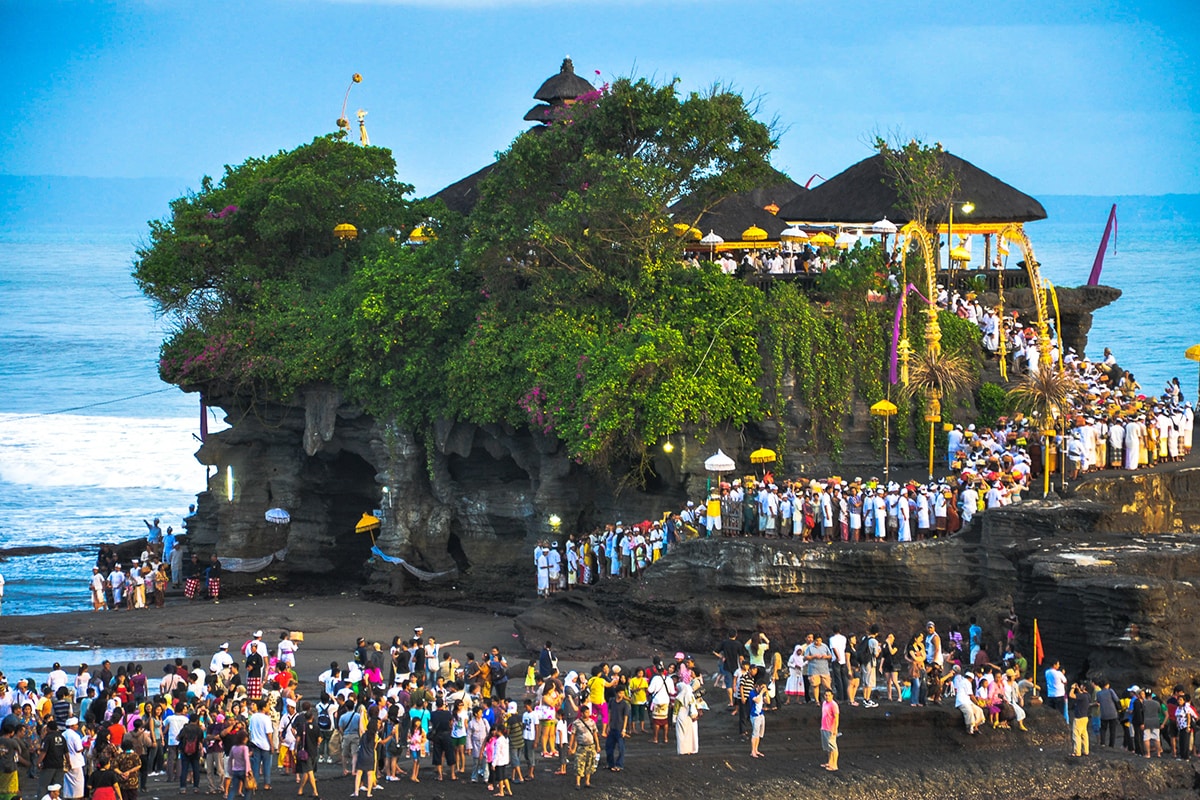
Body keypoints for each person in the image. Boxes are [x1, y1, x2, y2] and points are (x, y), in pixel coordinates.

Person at [568, 703, 599, 789]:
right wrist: (570, 746)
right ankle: (578, 783)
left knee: (590, 764)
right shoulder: (576, 723)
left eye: (588, 712)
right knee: (579, 764)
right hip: (581, 746)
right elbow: (573, 735)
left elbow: (595, 734)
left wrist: (598, 745)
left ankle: (587, 782)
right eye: (586, 712)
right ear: (581, 713)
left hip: (591, 745)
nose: (588, 714)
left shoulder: (592, 722)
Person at [673, 680, 699, 755]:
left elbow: (675, 710)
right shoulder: (691, 697)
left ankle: (682, 750)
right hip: (689, 718)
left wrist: (673, 720)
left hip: (681, 716)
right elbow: (695, 706)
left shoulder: (678, 698)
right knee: (690, 734)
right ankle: (691, 749)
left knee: (681, 734)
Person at [1069, 681, 1094, 757]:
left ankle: (1077, 752)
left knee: (1076, 735)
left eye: (1082, 685)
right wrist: (1078, 689)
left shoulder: (1082, 696)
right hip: (1085, 717)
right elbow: (1081, 694)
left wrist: (1072, 688)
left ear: (1084, 687)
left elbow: (1071, 695)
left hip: (1079, 718)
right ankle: (1086, 751)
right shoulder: (1088, 696)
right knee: (1084, 735)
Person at [819, 689, 839, 772]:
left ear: (832, 696)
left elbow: (836, 718)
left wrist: (835, 729)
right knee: (828, 747)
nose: (827, 697)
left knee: (833, 747)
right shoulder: (824, 703)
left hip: (830, 728)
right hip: (824, 727)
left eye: (829, 695)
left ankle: (835, 765)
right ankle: (830, 762)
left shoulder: (833, 705)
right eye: (826, 695)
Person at [748, 677, 766, 758]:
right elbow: (757, 700)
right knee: (755, 734)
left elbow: (768, 701)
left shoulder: (762, 694)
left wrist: (766, 693)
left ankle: (756, 749)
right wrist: (761, 693)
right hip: (754, 715)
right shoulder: (752, 693)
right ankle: (752, 751)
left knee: (759, 734)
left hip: (761, 715)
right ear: (757, 686)